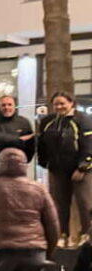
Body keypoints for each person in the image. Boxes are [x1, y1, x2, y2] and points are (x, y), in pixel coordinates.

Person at [37, 91, 92, 246]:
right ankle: (63, 235)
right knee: (60, 204)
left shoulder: (83, 119)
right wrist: (44, 163)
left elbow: (89, 146)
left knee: (85, 204)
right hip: (57, 170)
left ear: (71, 103)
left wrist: (83, 167)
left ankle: (86, 235)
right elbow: (42, 144)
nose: (59, 107)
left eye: (62, 103)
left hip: (80, 171)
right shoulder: (48, 121)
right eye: (56, 104)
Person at [0, 96, 35, 182]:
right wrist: (19, 140)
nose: (6, 107)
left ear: (14, 106)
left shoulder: (23, 122)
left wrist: (25, 160)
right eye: (3, 105)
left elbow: (31, 143)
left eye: (9, 105)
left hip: (18, 169)